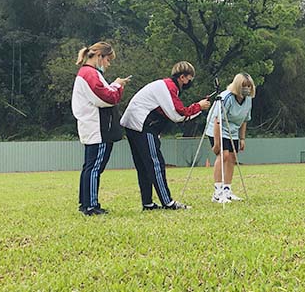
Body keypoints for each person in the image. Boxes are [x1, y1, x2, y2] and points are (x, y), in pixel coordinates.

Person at [121, 61, 211, 210]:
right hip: (143, 126)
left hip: (133, 125)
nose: (190, 82)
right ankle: (167, 202)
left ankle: (148, 203)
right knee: (155, 164)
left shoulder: (163, 85)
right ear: (182, 77)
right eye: (190, 78)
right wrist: (199, 107)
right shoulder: (168, 88)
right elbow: (177, 114)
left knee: (143, 166)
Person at [71, 41, 129, 216]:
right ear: (99, 56)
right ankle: (91, 206)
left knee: (90, 166)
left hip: (92, 126)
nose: (108, 64)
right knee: (95, 167)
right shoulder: (90, 74)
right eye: (108, 60)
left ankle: (85, 203)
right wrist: (117, 85)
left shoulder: (86, 73)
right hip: (97, 128)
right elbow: (106, 98)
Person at [206, 73, 255, 203]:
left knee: (232, 157)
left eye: (249, 86)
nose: (247, 89)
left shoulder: (248, 99)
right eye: (244, 86)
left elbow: (245, 120)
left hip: (233, 131)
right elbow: (217, 121)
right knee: (224, 155)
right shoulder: (226, 98)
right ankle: (217, 192)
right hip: (218, 128)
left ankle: (227, 190)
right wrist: (217, 144)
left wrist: (242, 138)